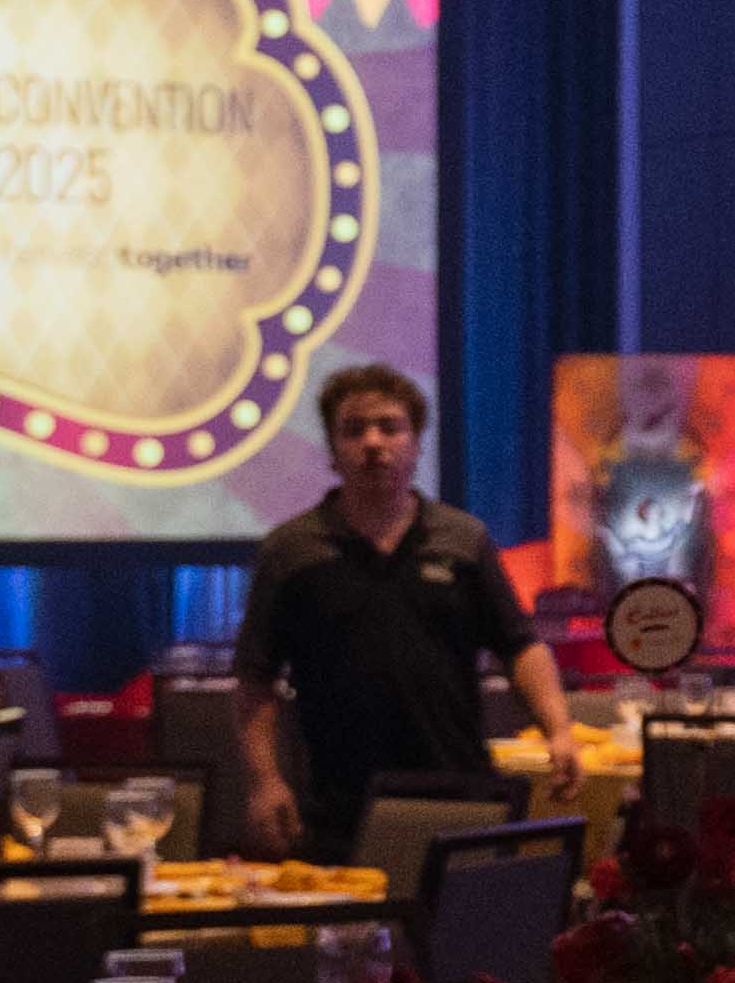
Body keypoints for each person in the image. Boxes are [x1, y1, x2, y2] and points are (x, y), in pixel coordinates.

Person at [233, 362, 553, 862]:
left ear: (417, 442)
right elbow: (256, 680)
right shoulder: (290, 551)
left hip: (460, 795)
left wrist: (559, 731)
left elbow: (520, 646)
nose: (373, 442)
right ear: (332, 450)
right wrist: (265, 782)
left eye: (389, 427)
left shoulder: (463, 540)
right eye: (354, 429)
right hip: (338, 808)